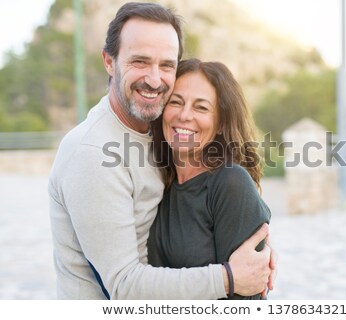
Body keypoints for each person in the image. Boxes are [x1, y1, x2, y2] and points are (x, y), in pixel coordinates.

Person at [48, 2, 273, 299]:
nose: (154, 80)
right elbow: (125, 286)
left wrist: (254, 252)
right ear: (108, 61)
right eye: (139, 61)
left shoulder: (154, 134)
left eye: (166, 65)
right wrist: (229, 277)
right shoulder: (93, 151)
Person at [147, 59, 271, 300]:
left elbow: (249, 299)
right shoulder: (158, 179)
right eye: (176, 102)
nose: (184, 115)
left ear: (221, 123)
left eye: (201, 108)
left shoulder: (231, 183)